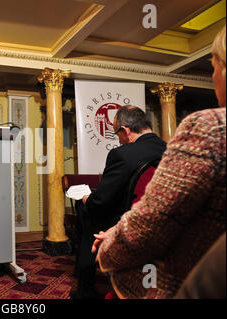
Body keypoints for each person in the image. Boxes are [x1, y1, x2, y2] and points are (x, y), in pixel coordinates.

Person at [92, 26, 226, 299]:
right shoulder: (166, 146)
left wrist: (106, 249)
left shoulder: (209, 129)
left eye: (212, 67)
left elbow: (151, 225)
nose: (212, 76)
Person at [71, 105, 167, 299]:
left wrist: (87, 198)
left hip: (125, 221)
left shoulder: (122, 154)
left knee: (86, 209)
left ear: (126, 130)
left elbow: (101, 201)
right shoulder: (170, 149)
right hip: (161, 219)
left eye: (117, 133)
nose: (119, 139)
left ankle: (85, 288)